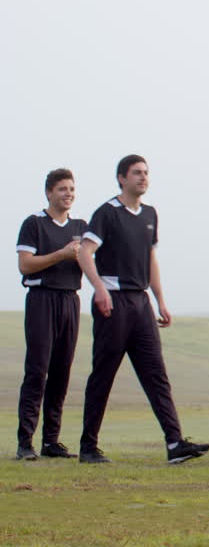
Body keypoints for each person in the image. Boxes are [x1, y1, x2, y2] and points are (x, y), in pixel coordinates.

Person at [77, 155, 209, 464]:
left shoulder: (149, 214)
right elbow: (85, 252)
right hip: (114, 301)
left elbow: (150, 259)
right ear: (122, 178)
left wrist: (160, 299)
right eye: (136, 173)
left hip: (141, 304)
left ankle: (175, 443)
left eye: (146, 173)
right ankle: (88, 446)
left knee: (156, 374)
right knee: (104, 374)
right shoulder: (107, 213)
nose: (143, 177)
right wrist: (98, 288)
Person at [15, 169, 87, 460]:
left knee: (61, 371)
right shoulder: (34, 224)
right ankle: (25, 442)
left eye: (71, 189)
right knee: (37, 370)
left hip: (70, 300)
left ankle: (51, 441)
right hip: (42, 299)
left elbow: (91, 262)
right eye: (62, 189)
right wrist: (62, 254)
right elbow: (25, 265)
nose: (68, 194)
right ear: (49, 193)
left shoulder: (82, 227)